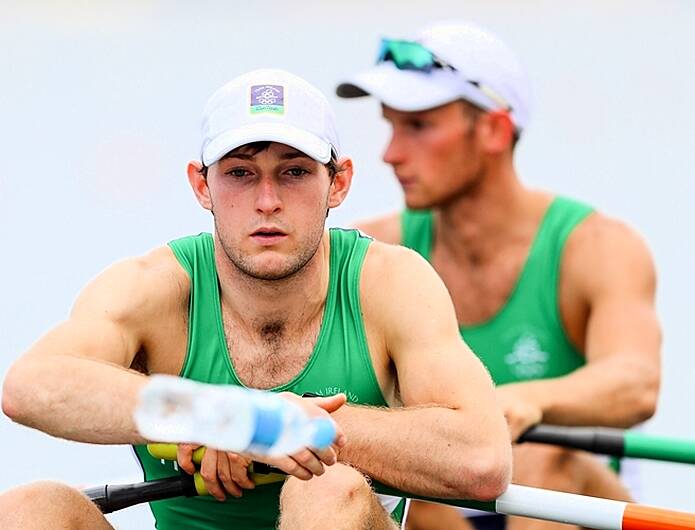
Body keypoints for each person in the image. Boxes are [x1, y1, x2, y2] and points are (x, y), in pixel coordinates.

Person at [0, 68, 511, 530]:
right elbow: (30, 387)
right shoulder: (153, 285)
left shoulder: (390, 283)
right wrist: (222, 415)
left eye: (294, 172)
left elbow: (483, 460)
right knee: (30, 509)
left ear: (339, 183)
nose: (267, 201)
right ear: (202, 186)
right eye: (240, 173)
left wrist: (290, 425)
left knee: (329, 489)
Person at [337, 21, 661, 530]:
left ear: (494, 129)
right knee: (364, 475)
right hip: (443, 509)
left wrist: (526, 401)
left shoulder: (595, 246)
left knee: (537, 454)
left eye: (418, 127)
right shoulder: (374, 254)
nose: (390, 153)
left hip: (566, 502)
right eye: (390, 125)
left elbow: (636, 383)